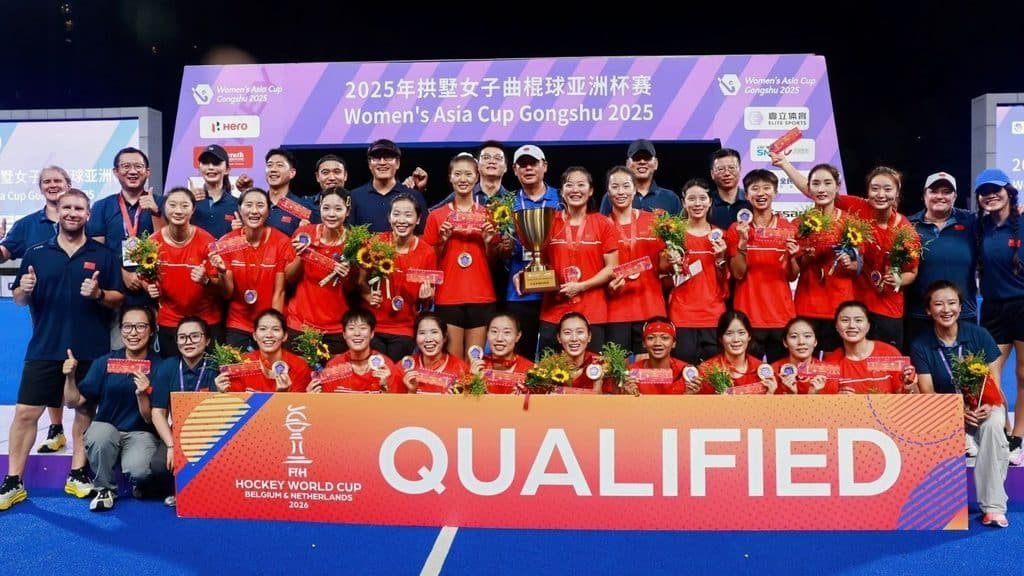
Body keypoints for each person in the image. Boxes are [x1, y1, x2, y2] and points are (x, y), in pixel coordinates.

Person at [0, 189, 125, 512]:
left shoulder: (104, 255)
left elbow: (118, 298)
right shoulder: (36, 253)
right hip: (45, 346)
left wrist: (98, 294)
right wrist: (23, 290)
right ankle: (13, 481)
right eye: (67, 207)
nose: (72, 213)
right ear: (58, 211)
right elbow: (19, 298)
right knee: (26, 413)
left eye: (79, 208)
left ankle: (78, 472)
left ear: (88, 215)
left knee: (84, 411)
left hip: (91, 347)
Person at [909, 280, 1010, 527]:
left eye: (952, 303)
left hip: (983, 405)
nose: (946, 309)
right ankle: (931, 502)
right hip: (944, 411)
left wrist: (987, 404)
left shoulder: (979, 335)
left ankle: (993, 507)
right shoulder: (920, 344)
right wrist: (957, 411)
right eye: (939, 304)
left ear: (961, 307)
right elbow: (927, 391)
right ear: (928, 310)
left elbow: (994, 380)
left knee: (993, 426)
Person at [0, 166, 73, 455]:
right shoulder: (27, 225)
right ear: (40, 187)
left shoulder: (83, 218)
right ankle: (56, 428)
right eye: (47, 181)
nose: (53, 185)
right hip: (45, 313)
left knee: (80, 370)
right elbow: (4, 254)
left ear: (69, 183)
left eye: (58, 180)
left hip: (85, 307)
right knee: (53, 366)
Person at [61, 306, 161, 512]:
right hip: (107, 429)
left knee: (140, 471)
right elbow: (73, 402)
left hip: (141, 433)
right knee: (100, 434)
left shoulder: (160, 367)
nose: (133, 333)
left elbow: (151, 418)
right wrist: (69, 377)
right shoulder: (105, 362)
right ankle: (105, 489)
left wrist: (143, 394)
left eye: (140, 326)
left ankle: (137, 480)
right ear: (120, 329)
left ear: (151, 330)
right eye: (127, 326)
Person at [771, 156, 855, 354]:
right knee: (805, 361)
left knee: (835, 362)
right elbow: (794, 270)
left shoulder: (850, 223)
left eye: (827, 183)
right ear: (808, 189)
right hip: (807, 303)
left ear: (837, 187)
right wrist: (806, 256)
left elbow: (857, 266)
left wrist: (848, 262)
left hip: (840, 304)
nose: (821, 189)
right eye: (816, 184)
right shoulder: (800, 224)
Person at [833, 167, 921, 350]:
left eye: (888, 189)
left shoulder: (906, 231)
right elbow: (819, 191)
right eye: (875, 188)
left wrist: (898, 279)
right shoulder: (858, 207)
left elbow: (912, 272)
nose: (881, 194)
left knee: (887, 360)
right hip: (856, 306)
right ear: (868, 192)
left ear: (897, 193)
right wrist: (785, 164)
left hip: (888, 308)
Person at [423, 153, 499, 360]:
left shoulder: (489, 215)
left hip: (481, 295)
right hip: (448, 296)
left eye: (468, 174)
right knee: (454, 362)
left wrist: (488, 241)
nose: (463, 179)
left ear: (477, 177)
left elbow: (494, 262)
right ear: (450, 177)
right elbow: (429, 260)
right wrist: (442, 240)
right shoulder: (436, 216)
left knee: (475, 362)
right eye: (457, 174)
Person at [536, 167, 618, 354]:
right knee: (550, 368)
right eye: (569, 185)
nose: (575, 190)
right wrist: (528, 277)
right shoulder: (549, 221)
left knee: (592, 368)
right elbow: (540, 262)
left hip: (592, 311)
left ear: (591, 191)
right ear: (562, 192)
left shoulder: (603, 223)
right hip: (554, 311)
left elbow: (612, 268)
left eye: (581, 185)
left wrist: (581, 286)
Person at [973, 169, 1024, 464]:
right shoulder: (979, 227)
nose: (990, 196)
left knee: (1023, 374)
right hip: (993, 308)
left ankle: (1019, 436)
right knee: (988, 375)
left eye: (996, 190)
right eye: (984, 192)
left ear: (1009, 192)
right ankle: (1003, 431)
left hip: (1022, 304)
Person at [210, 188, 297, 349]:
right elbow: (227, 293)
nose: (254, 211)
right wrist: (222, 272)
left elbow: (280, 292)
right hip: (238, 323)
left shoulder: (281, 242)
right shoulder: (227, 243)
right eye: (249, 205)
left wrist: (274, 326)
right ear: (239, 209)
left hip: (270, 322)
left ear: (269, 211)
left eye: (260, 205)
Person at [726, 169, 798, 362]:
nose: (761, 193)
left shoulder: (788, 229)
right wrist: (742, 243)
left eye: (766, 188)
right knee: (747, 372)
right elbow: (738, 274)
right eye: (755, 188)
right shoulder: (736, 229)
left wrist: (792, 258)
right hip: (748, 317)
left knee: (783, 373)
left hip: (781, 316)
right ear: (747, 194)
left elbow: (792, 276)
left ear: (775, 192)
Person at [150, 316, 218, 507]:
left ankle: (211, 493)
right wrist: (171, 446)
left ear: (207, 340)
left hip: (213, 433)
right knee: (159, 466)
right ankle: (178, 491)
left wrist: (221, 393)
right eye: (182, 337)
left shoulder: (218, 366)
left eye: (195, 336)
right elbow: (157, 412)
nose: (188, 342)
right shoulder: (167, 367)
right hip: (178, 433)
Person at [904, 172, 978, 345]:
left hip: (963, 314)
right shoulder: (908, 225)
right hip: (919, 315)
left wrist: (1017, 210)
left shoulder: (972, 221)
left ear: (955, 197)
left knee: (968, 363)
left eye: (946, 192)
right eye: (934, 191)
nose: (940, 196)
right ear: (924, 195)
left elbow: (1000, 219)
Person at [86, 146, 163, 308]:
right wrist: (123, 274)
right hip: (114, 288)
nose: (133, 171)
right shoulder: (102, 206)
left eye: (138, 166)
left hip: (155, 288)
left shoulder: (163, 203)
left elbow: (169, 243)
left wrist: (156, 212)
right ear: (116, 172)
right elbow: (96, 249)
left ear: (147, 172)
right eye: (126, 166)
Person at [150, 187, 223, 356]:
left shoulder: (207, 241)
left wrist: (206, 280)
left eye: (184, 206)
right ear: (164, 208)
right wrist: (149, 287)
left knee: (209, 370)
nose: (178, 211)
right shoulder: (152, 243)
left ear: (193, 209)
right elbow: (145, 279)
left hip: (206, 320)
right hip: (169, 321)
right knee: (171, 369)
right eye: (172, 205)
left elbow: (222, 287)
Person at [505, 144, 562, 360]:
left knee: (554, 356)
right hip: (520, 292)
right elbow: (499, 252)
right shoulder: (506, 203)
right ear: (515, 170)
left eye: (533, 163)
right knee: (521, 356)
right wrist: (502, 247)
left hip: (556, 291)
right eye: (522, 164)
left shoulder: (562, 199)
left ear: (544, 166)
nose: (528, 168)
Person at [605, 166, 667, 355]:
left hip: (650, 307)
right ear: (608, 191)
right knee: (616, 368)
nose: (621, 192)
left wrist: (673, 260)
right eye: (615, 186)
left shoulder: (655, 222)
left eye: (626, 186)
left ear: (634, 190)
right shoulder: (601, 224)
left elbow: (663, 266)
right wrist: (608, 286)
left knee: (649, 369)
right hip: (615, 310)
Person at [285, 187, 355, 355]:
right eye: (326, 208)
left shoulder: (354, 242)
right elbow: (289, 278)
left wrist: (348, 275)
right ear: (320, 208)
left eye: (338, 209)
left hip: (336, 327)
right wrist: (301, 256)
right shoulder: (304, 234)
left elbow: (355, 289)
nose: (331, 214)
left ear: (347, 212)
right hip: (300, 323)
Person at [367, 194, 436, 361]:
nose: (402, 220)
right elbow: (360, 282)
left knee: (396, 372)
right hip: (373, 325)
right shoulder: (375, 243)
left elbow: (428, 302)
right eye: (396, 214)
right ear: (389, 218)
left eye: (408, 215)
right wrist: (367, 295)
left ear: (418, 219)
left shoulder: (427, 252)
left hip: (405, 328)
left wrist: (427, 298)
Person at [668, 178, 729, 364]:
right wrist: (671, 261)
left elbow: (725, 280)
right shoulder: (672, 235)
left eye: (702, 198)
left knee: (713, 373)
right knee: (684, 371)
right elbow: (662, 274)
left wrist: (720, 259)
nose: (697, 203)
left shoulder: (721, 236)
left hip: (713, 315)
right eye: (692, 198)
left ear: (710, 202)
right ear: (683, 202)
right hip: (682, 315)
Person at [824, 300, 917, 394]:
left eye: (858, 320)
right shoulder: (831, 363)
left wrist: (909, 388)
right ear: (836, 326)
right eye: (845, 320)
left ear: (868, 325)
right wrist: (838, 398)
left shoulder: (888, 354)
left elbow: (905, 394)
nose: (851, 325)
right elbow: (826, 401)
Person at [213, 309, 310, 393]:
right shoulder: (241, 364)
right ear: (255, 336)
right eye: (263, 329)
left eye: (276, 329)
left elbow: (300, 406)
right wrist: (222, 392)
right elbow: (236, 403)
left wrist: (282, 395)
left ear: (285, 336)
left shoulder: (300, 366)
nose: (269, 335)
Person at [309, 309, 403, 393]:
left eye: (363, 328)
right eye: (351, 328)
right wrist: (311, 398)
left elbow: (396, 405)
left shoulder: (386, 366)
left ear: (372, 333)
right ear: (344, 334)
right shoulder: (333, 366)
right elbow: (328, 404)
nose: (357, 333)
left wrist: (386, 387)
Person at [349, 139, 428, 234]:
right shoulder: (355, 196)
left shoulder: (414, 196)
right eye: (376, 158)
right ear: (369, 164)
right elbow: (349, 234)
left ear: (397, 163)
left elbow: (424, 234)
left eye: (388, 157)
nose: (382, 162)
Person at [694, 310, 771, 394]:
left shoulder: (762, 370)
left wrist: (771, 393)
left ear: (749, 336)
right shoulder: (706, 371)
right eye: (729, 333)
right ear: (720, 338)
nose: (736, 339)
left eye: (741, 333)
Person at [599, 139, 681, 215]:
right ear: (627, 164)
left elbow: (680, 226)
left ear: (656, 163)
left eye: (647, 158)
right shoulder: (613, 196)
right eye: (636, 158)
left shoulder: (671, 198)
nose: (642, 162)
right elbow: (602, 224)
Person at [467, 313, 535, 394]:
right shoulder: (477, 366)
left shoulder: (530, 370)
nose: (499, 338)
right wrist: (472, 380)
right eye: (494, 331)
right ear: (487, 334)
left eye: (507, 332)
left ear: (518, 336)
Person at [400, 313, 468, 394]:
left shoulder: (461, 369)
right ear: (416, 338)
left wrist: (453, 400)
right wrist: (411, 391)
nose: (428, 339)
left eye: (434, 332)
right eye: (422, 333)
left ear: (444, 337)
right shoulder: (403, 368)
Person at [431, 141, 509, 208]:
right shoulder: (460, 195)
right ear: (477, 165)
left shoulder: (512, 200)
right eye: (486, 157)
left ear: (505, 167)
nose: (491, 161)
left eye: (497, 158)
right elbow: (431, 214)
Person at [770, 317, 839, 394]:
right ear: (785, 342)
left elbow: (835, 401)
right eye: (794, 336)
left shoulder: (828, 372)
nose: (801, 342)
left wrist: (815, 396)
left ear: (815, 341)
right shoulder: (773, 371)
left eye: (807, 336)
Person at [625, 317, 693, 395]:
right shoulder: (632, 373)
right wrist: (627, 396)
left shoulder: (685, 371)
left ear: (674, 343)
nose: (657, 343)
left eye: (664, 338)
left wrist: (690, 396)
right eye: (651, 338)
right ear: (644, 343)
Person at [261, 148, 319, 237]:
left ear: (292, 173)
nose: (273, 169)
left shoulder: (303, 208)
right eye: (269, 165)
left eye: (280, 165)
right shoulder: (255, 205)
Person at [189, 144, 240, 239]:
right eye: (205, 162)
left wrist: (240, 231)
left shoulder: (237, 204)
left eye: (216, 163)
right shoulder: (189, 202)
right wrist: (187, 201)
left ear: (227, 169)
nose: (211, 167)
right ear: (199, 168)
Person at [554, 312, 610, 393]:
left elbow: (613, 398)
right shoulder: (548, 366)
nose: (574, 338)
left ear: (589, 336)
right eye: (567, 332)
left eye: (580, 332)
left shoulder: (603, 365)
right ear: (559, 337)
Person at [708, 148, 751, 230]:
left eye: (731, 168)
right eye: (721, 169)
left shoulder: (751, 200)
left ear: (740, 170)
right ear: (712, 174)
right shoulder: (706, 204)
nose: (727, 173)